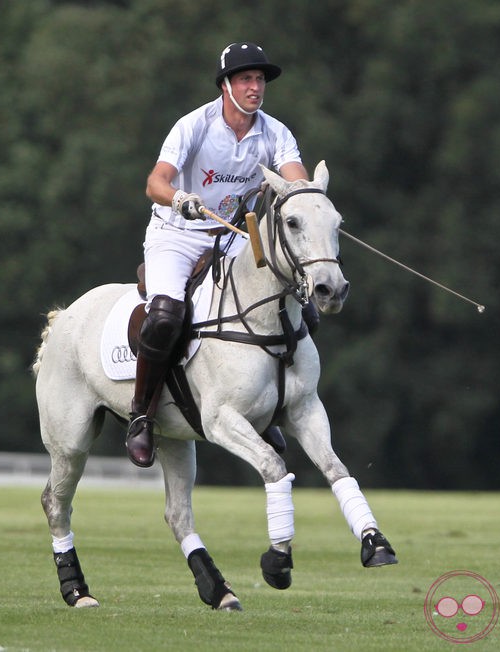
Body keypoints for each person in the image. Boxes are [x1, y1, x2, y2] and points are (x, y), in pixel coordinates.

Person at [126, 42, 310, 468]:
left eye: (260, 79)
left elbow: (295, 178)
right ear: (226, 85)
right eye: (246, 79)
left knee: (295, 304)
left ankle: (269, 409)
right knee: (166, 317)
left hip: (233, 237)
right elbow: (155, 182)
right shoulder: (193, 125)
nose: (255, 87)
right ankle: (141, 415)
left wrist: (308, 200)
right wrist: (179, 200)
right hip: (177, 233)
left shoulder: (275, 132)